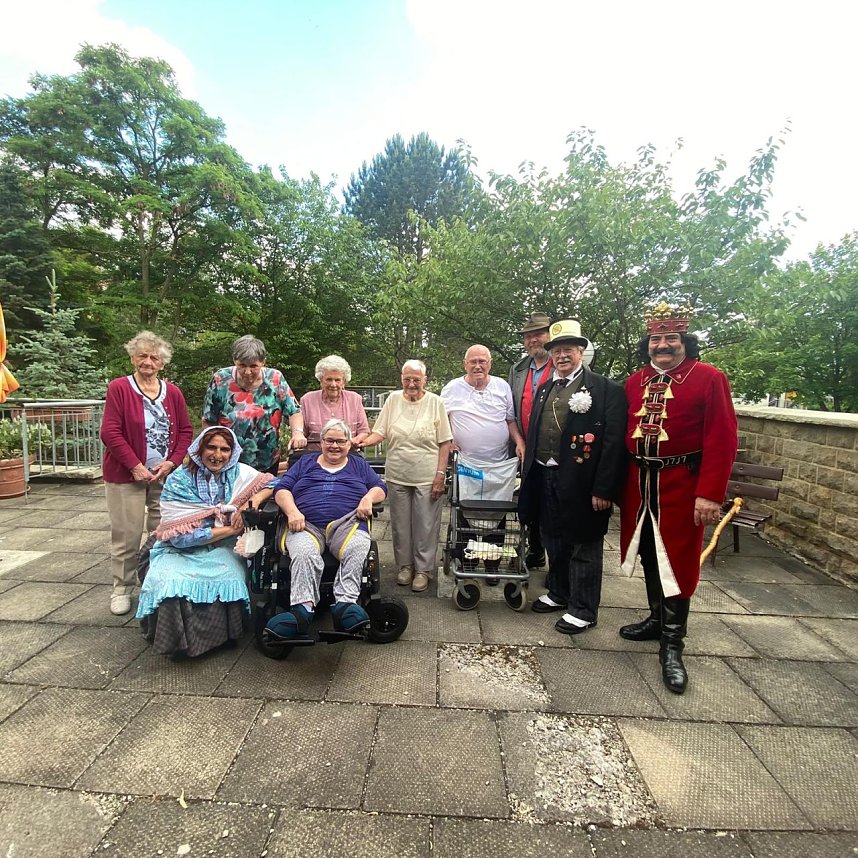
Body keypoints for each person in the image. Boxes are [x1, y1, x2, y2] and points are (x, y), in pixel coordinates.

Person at [620, 302, 738, 694]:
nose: (663, 346)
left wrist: (709, 494)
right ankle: (656, 620)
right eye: (656, 339)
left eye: (671, 338)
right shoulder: (635, 383)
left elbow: (722, 439)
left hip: (683, 485)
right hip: (640, 482)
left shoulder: (708, 378)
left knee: (678, 560)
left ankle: (673, 646)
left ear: (684, 340)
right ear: (648, 344)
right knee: (650, 554)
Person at [518, 319, 626, 635]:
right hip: (545, 474)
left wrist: (604, 488)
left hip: (583, 482)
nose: (562, 355)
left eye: (568, 349)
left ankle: (583, 608)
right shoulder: (545, 388)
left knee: (584, 545)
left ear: (581, 351)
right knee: (554, 538)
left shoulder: (606, 390)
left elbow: (613, 444)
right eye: (557, 350)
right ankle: (560, 592)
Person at [135, 427, 273, 658]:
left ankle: (219, 638)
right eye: (211, 447)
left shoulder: (240, 473)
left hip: (223, 546)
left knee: (227, 575)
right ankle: (177, 645)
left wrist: (251, 501)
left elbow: (273, 483)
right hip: (178, 547)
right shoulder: (179, 479)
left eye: (225, 449)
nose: (217, 455)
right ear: (199, 449)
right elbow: (179, 537)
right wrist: (231, 528)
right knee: (170, 583)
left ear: (233, 452)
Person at [264, 419, 387, 642]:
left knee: (359, 545)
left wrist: (368, 498)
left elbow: (380, 487)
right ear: (321, 442)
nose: (334, 446)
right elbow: (282, 489)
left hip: (347, 523)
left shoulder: (358, 465)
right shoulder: (305, 463)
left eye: (340, 441)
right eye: (329, 440)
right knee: (302, 551)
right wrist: (292, 512)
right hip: (305, 523)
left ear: (349, 444)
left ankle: (345, 605)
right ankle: (302, 610)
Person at [101, 331, 193, 617]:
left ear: (163, 363)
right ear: (132, 358)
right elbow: (110, 431)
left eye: (154, 357)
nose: (148, 362)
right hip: (126, 475)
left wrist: (172, 462)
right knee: (126, 534)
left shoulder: (173, 392)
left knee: (162, 532)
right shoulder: (120, 388)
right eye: (142, 356)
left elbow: (186, 432)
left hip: (163, 476)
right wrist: (135, 466)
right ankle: (122, 588)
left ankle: (153, 583)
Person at [358, 360, 453, 593]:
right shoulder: (392, 400)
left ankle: (423, 570)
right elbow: (380, 431)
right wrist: (362, 441)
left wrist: (441, 474)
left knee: (426, 524)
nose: (411, 384)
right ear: (401, 378)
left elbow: (445, 442)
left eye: (416, 380)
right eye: (407, 379)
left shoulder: (435, 402)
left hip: (427, 475)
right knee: (400, 525)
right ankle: (405, 567)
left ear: (425, 381)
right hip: (398, 473)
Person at [441, 345, 525, 580]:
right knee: (465, 511)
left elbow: (509, 420)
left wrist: (520, 442)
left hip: (498, 464)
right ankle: (467, 560)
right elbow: (440, 420)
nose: (478, 366)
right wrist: (448, 441)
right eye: (473, 361)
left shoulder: (502, 386)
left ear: (490, 363)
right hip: (466, 464)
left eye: (483, 361)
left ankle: (492, 564)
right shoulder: (451, 388)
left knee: (496, 514)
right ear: (465, 363)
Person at [201, 334, 306, 475]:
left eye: (253, 366)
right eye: (242, 365)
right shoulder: (221, 379)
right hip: (226, 459)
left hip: (266, 459)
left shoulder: (275, 378)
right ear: (234, 361)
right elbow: (209, 420)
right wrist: (210, 449)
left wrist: (297, 433)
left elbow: (294, 411)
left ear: (263, 362)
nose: (247, 372)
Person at [508, 312, 554, 569]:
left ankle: (558, 560)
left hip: (555, 449)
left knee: (553, 504)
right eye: (527, 336)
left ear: (550, 336)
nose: (532, 340)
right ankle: (536, 551)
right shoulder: (518, 369)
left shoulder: (563, 363)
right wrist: (518, 441)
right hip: (525, 447)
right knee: (530, 500)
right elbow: (512, 410)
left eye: (538, 334)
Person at [299, 355, 370, 451]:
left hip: (348, 456)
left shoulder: (355, 399)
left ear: (344, 382)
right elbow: (300, 433)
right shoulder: (307, 400)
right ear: (321, 381)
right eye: (329, 379)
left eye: (337, 380)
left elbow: (364, 431)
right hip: (315, 458)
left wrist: (356, 440)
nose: (333, 384)